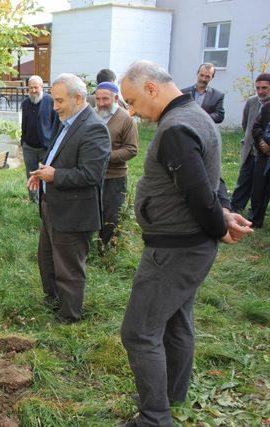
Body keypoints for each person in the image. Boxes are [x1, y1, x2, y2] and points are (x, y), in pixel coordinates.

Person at [118, 60, 252, 427]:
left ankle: (154, 418)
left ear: (150, 89)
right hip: (186, 246)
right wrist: (223, 212)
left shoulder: (176, 127)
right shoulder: (196, 115)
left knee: (139, 331)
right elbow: (214, 178)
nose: (131, 111)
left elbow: (196, 190)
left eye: (131, 100)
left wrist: (217, 226)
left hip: (175, 250)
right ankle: (171, 395)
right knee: (175, 322)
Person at [27, 73, 110, 323]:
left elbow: (92, 174)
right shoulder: (67, 122)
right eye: (54, 100)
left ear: (78, 97)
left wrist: (55, 176)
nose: (55, 107)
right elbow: (58, 157)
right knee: (48, 261)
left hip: (74, 213)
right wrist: (43, 174)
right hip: (53, 206)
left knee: (69, 269)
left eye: (60, 101)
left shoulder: (93, 127)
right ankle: (53, 304)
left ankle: (69, 319)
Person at [93, 82, 138, 248]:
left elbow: (132, 149)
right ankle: (92, 247)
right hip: (92, 174)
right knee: (93, 212)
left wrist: (106, 157)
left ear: (116, 98)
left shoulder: (126, 119)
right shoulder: (93, 115)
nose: (101, 103)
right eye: (97, 99)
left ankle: (107, 253)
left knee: (111, 216)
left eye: (105, 99)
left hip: (114, 178)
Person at [230, 74, 270, 214]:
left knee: (261, 187)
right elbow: (245, 124)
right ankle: (234, 209)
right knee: (243, 181)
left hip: (266, 155)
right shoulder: (252, 102)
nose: (260, 91)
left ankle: (256, 214)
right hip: (250, 151)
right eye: (258, 88)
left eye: (264, 88)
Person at [21, 75, 59, 203]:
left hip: (46, 147)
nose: (33, 90)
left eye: (35, 87)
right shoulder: (25, 103)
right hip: (29, 147)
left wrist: (53, 143)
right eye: (30, 88)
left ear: (41, 87)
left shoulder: (50, 101)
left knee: (46, 174)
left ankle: (46, 199)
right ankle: (33, 200)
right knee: (31, 174)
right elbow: (24, 124)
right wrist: (23, 141)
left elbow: (56, 123)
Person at [250, 99, 270, 228]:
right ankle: (256, 219)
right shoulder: (267, 107)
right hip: (265, 155)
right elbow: (256, 127)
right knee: (258, 189)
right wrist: (263, 142)